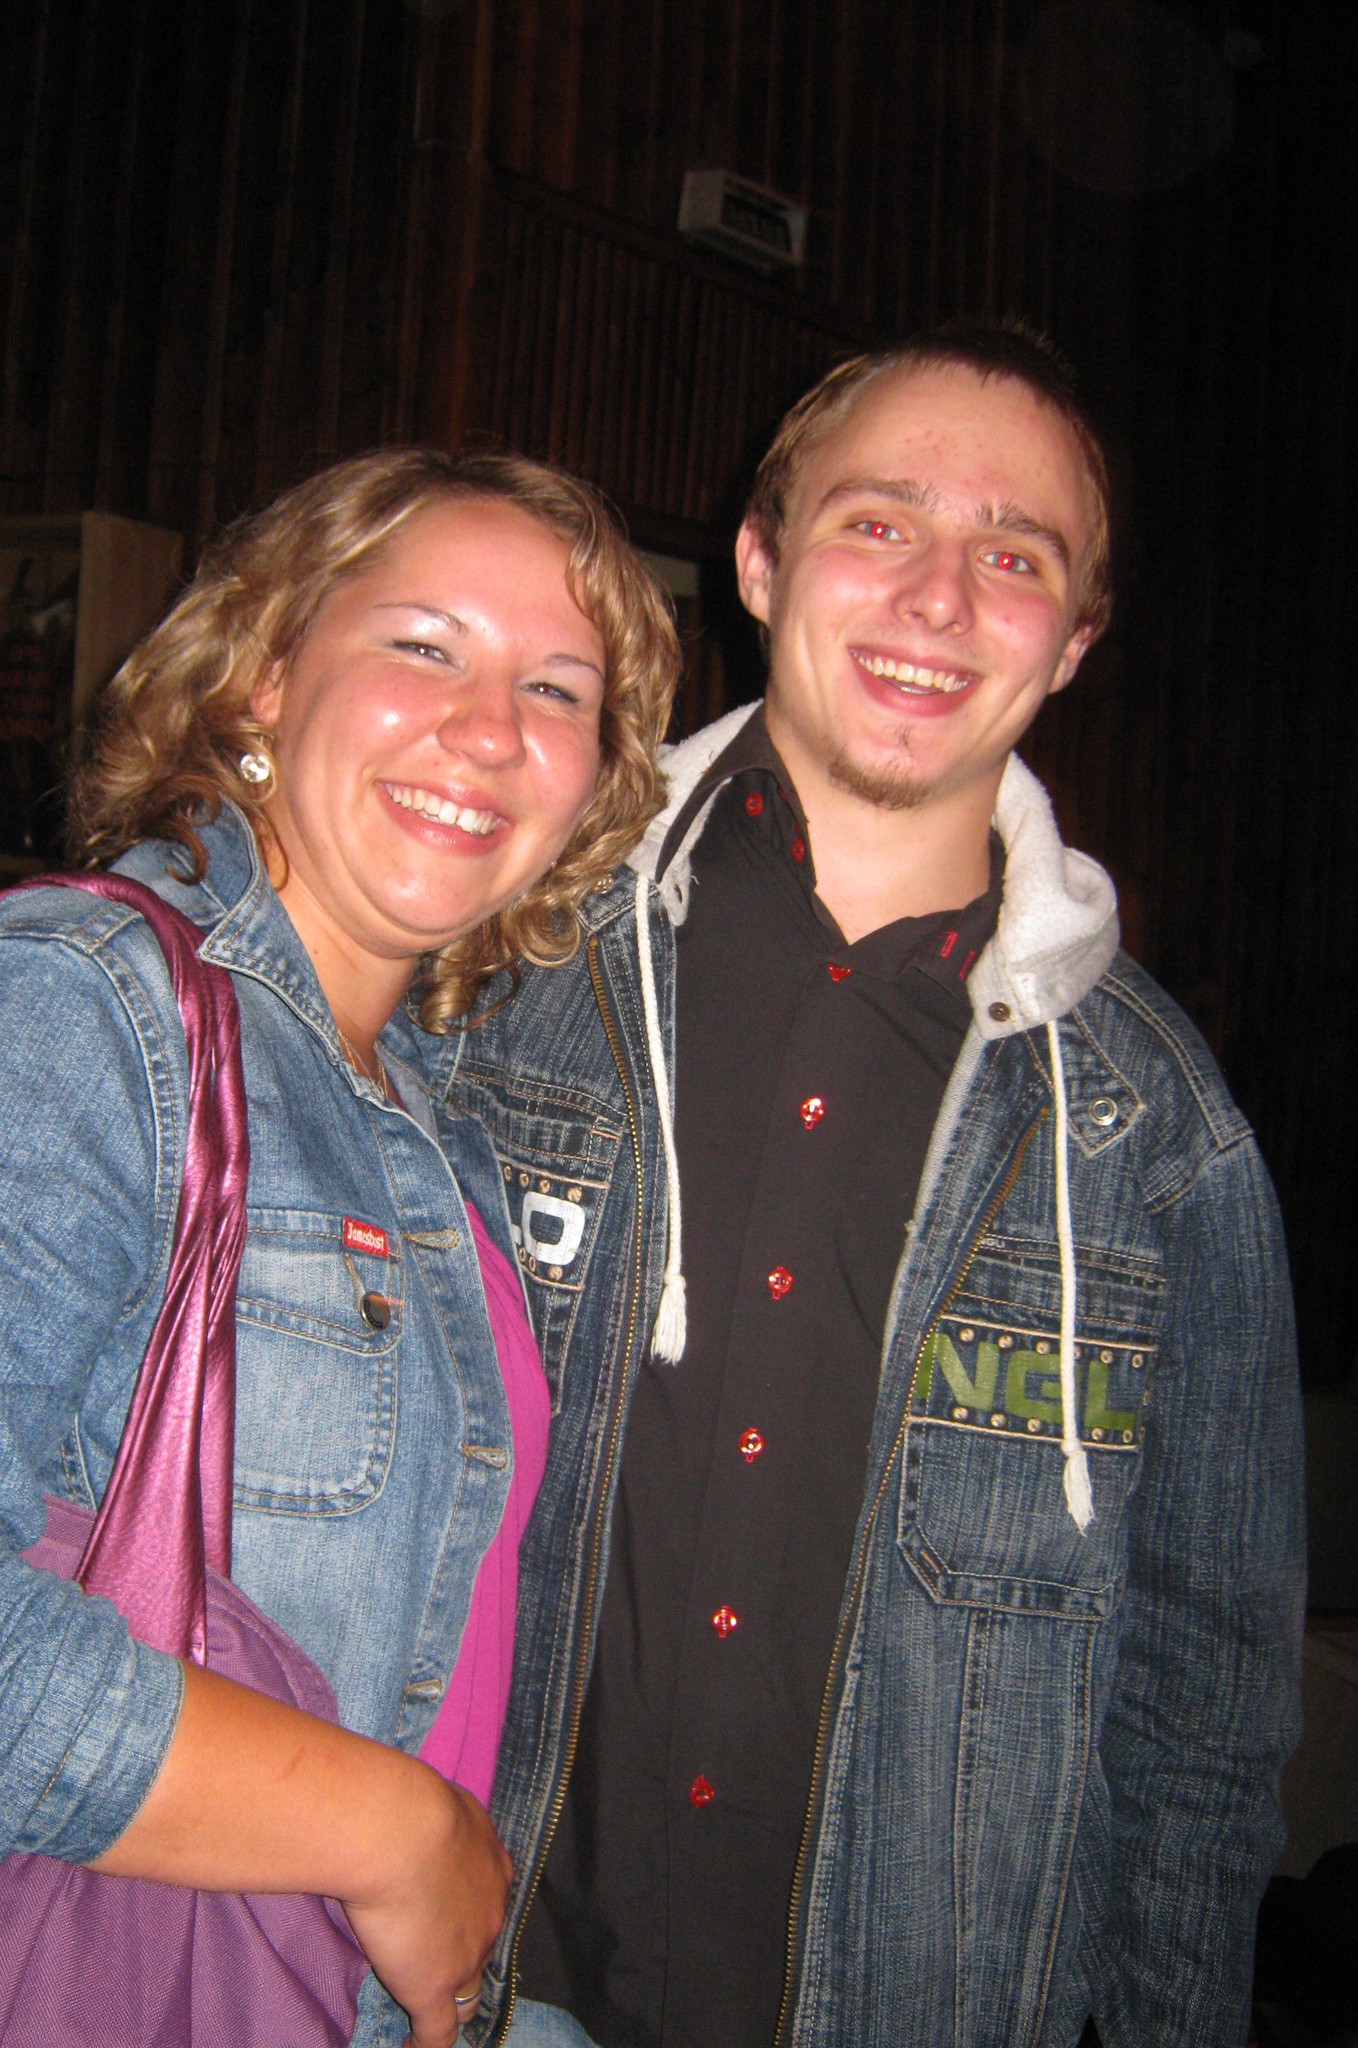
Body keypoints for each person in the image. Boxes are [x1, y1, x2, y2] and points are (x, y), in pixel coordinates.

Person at [443, 327, 1306, 2047]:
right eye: (879, 523)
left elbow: (1204, 1712)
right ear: (760, 563)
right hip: (482, 1989)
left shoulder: (1160, 1135)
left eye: (1015, 558)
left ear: (1075, 641)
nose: (939, 599)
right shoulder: (506, 969)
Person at [0, 450, 678, 2048]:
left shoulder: (432, 1112)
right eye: (424, 646)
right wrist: (393, 1834)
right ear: (264, 675)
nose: (492, 730)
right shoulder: (76, 1004)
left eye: (558, 691)